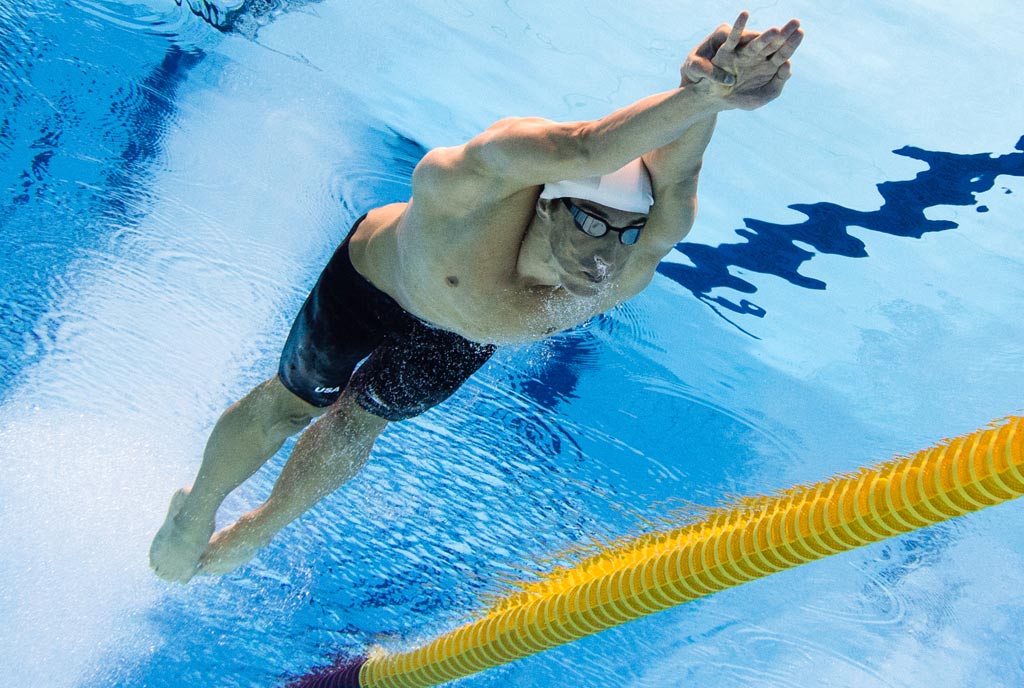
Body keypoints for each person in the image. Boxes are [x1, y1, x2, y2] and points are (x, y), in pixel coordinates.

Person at [149, 11, 804, 583]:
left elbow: (679, 175)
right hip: (382, 282)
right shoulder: (474, 186)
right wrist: (698, 95)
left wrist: (715, 96)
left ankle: (259, 528)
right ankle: (198, 506)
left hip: (461, 334)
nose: (605, 256)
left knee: (360, 420)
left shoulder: (630, 262)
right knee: (291, 403)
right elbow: (586, 145)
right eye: (588, 224)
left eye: (624, 232)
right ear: (550, 204)